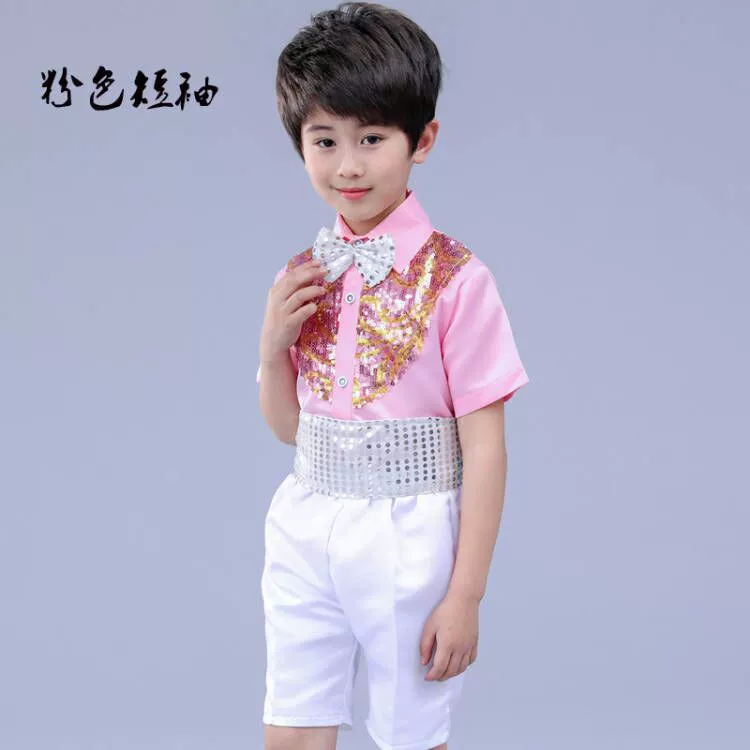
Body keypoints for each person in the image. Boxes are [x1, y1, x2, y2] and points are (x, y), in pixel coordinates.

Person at [256, 3, 529, 749]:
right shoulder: (301, 276)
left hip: (410, 534)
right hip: (306, 519)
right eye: (324, 140)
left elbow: (487, 449)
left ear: (422, 140)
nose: (347, 165)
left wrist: (466, 594)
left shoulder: (457, 280)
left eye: (371, 138)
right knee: (292, 728)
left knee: (411, 735)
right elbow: (288, 430)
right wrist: (272, 347)